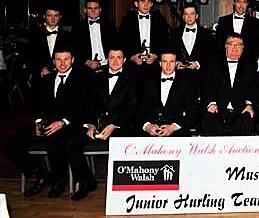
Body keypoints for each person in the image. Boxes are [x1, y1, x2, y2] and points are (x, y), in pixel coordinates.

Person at [6, 48, 91, 198]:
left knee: (54, 139)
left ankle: (59, 180)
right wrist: (39, 122)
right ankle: (40, 173)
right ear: (53, 62)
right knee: (12, 143)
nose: (62, 63)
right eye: (58, 59)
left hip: (70, 124)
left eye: (66, 59)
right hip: (47, 124)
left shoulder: (82, 79)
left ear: (72, 60)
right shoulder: (47, 79)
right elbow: (38, 105)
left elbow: (83, 108)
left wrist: (63, 122)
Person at [67, 48, 137, 200]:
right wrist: (91, 124)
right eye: (112, 58)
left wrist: (113, 125)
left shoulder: (132, 77)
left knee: (121, 145)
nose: (115, 61)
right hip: (98, 124)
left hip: (121, 125)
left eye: (119, 57)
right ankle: (86, 181)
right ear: (107, 59)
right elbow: (90, 104)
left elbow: (133, 107)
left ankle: (123, 188)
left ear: (124, 59)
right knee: (72, 144)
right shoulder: (98, 77)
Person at [202, 33, 258, 135]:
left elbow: (254, 88)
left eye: (239, 44)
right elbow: (207, 86)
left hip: (241, 110)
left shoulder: (250, 65)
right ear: (226, 46)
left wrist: (249, 104)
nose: (235, 48)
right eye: (232, 44)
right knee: (208, 119)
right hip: (218, 109)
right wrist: (211, 103)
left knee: (248, 119)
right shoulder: (213, 63)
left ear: (243, 48)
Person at [136, 50, 198, 137]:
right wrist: (147, 126)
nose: (168, 65)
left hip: (177, 132)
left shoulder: (187, 83)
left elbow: (193, 113)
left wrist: (173, 127)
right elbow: (140, 111)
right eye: (165, 62)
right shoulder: (148, 82)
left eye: (171, 62)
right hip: (151, 133)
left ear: (176, 63)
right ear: (160, 63)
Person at [171, 3, 214, 98]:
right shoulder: (175, 33)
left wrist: (198, 63)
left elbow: (211, 55)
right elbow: (171, 52)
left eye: (192, 14)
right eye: (186, 14)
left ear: (197, 16)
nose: (189, 17)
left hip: (201, 77)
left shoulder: (206, 34)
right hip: (180, 75)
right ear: (183, 16)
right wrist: (176, 62)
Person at [118, 0, 170, 67]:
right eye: (142, 1)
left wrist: (156, 56)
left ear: (152, 4)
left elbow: (166, 42)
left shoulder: (160, 20)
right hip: (133, 65)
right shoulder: (127, 20)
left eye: (149, 2)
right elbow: (121, 42)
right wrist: (131, 57)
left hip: (154, 64)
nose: (146, 5)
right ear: (136, 4)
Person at [215, 0, 259, 70]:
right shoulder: (223, 21)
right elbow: (219, 43)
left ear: (247, 4)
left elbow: (257, 46)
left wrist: (251, 63)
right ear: (233, 2)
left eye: (244, 2)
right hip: (225, 65)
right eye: (238, 1)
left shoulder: (255, 22)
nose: (241, 5)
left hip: (247, 66)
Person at [26, 4, 71, 81]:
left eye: (56, 16)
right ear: (44, 16)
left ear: (60, 17)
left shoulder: (68, 36)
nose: (53, 19)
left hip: (62, 77)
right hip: (40, 78)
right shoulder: (34, 35)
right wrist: (39, 70)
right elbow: (29, 57)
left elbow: (71, 57)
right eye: (49, 15)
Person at [71, 0, 118, 71]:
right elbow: (73, 49)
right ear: (85, 10)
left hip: (108, 66)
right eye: (90, 8)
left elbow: (116, 45)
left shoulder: (110, 25)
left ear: (100, 9)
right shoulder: (78, 27)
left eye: (96, 8)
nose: (93, 11)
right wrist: (86, 62)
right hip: (86, 67)